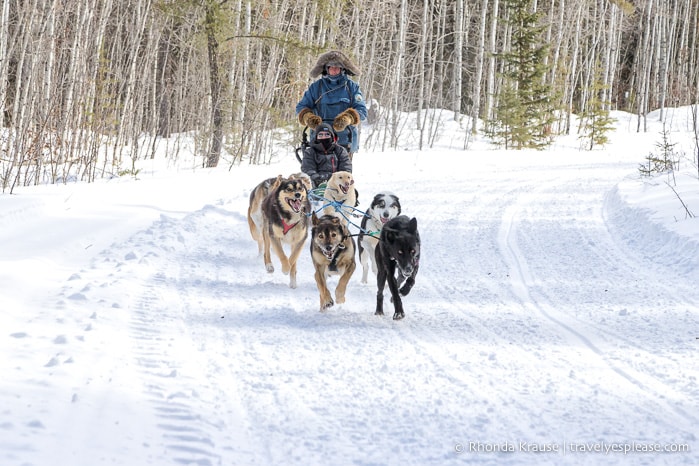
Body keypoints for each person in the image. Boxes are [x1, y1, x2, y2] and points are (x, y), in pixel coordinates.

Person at [296, 50, 368, 159]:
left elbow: (362, 111)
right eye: (331, 67)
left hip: (345, 141)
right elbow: (301, 107)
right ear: (326, 69)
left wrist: (348, 118)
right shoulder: (316, 87)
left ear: (342, 69)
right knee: (318, 175)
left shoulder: (352, 87)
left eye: (337, 67)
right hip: (319, 141)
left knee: (343, 175)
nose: (334, 70)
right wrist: (308, 117)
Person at [300, 123, 352, 189]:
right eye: (320, 135)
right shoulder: (310, 152)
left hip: (337, 184)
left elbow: (346, 168)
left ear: (332, 136)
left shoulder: (340, 150)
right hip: (316, 184)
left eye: (327, 134)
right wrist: (318, 179)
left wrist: (336, 179)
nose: (324, 137)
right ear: (316, 137)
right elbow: (308, 169)